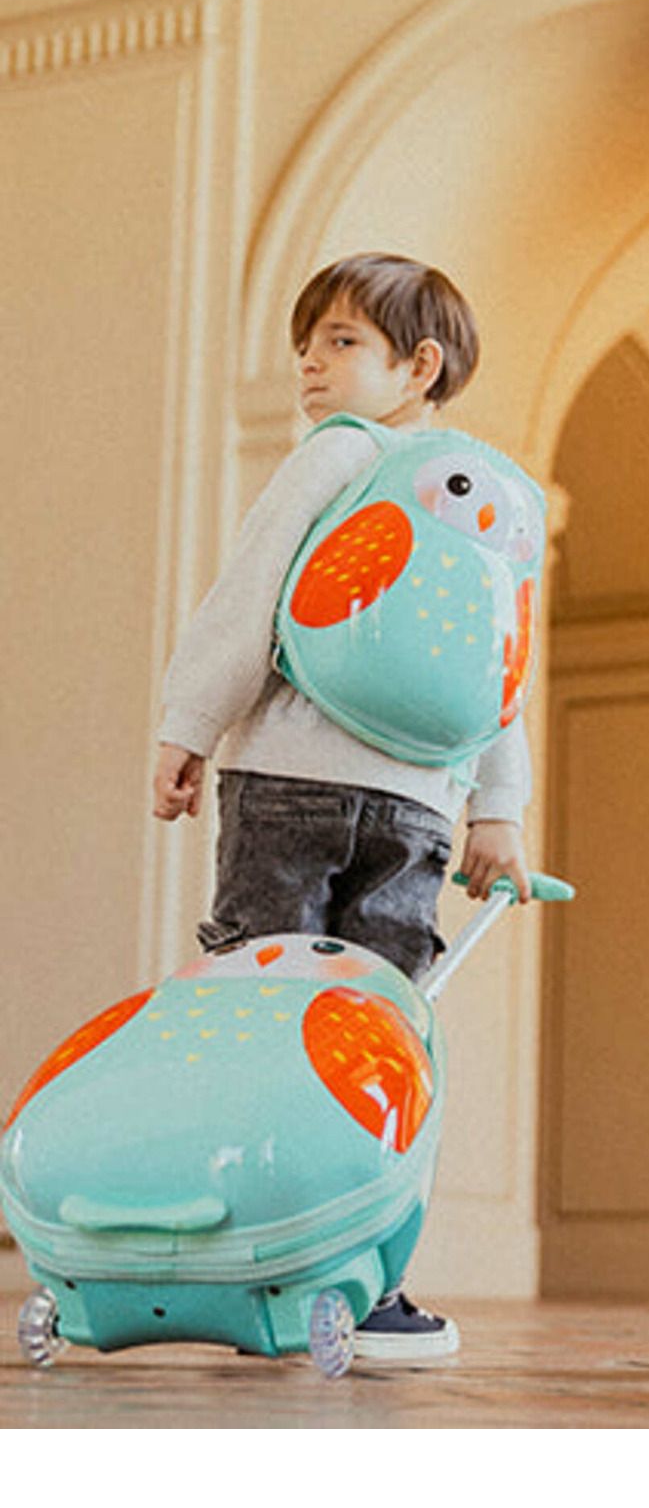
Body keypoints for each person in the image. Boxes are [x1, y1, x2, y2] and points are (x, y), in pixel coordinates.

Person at [152, 252, 537, 1363]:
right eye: (305, 343)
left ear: (419, 366)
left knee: (267, 1014)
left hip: (298, 783)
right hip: (410, 805)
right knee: (373, 1038)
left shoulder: (342, 458)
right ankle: (352, 1278)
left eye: (341, 341)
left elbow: (253, 595)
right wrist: (497, 805)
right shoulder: (480, 494)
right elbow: (499, 660)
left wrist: (189, 722)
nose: (309, 365)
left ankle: (287, 1263)